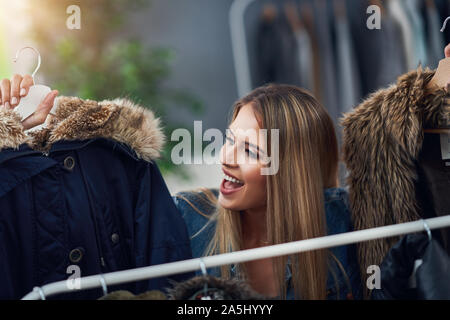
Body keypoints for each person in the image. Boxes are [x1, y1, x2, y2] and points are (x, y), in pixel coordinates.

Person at [173, 84, 362, 300]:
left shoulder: (346, 221)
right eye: (230, 140)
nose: (225, 158)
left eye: (250, 151)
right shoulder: (186, 217)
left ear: (291, 172)